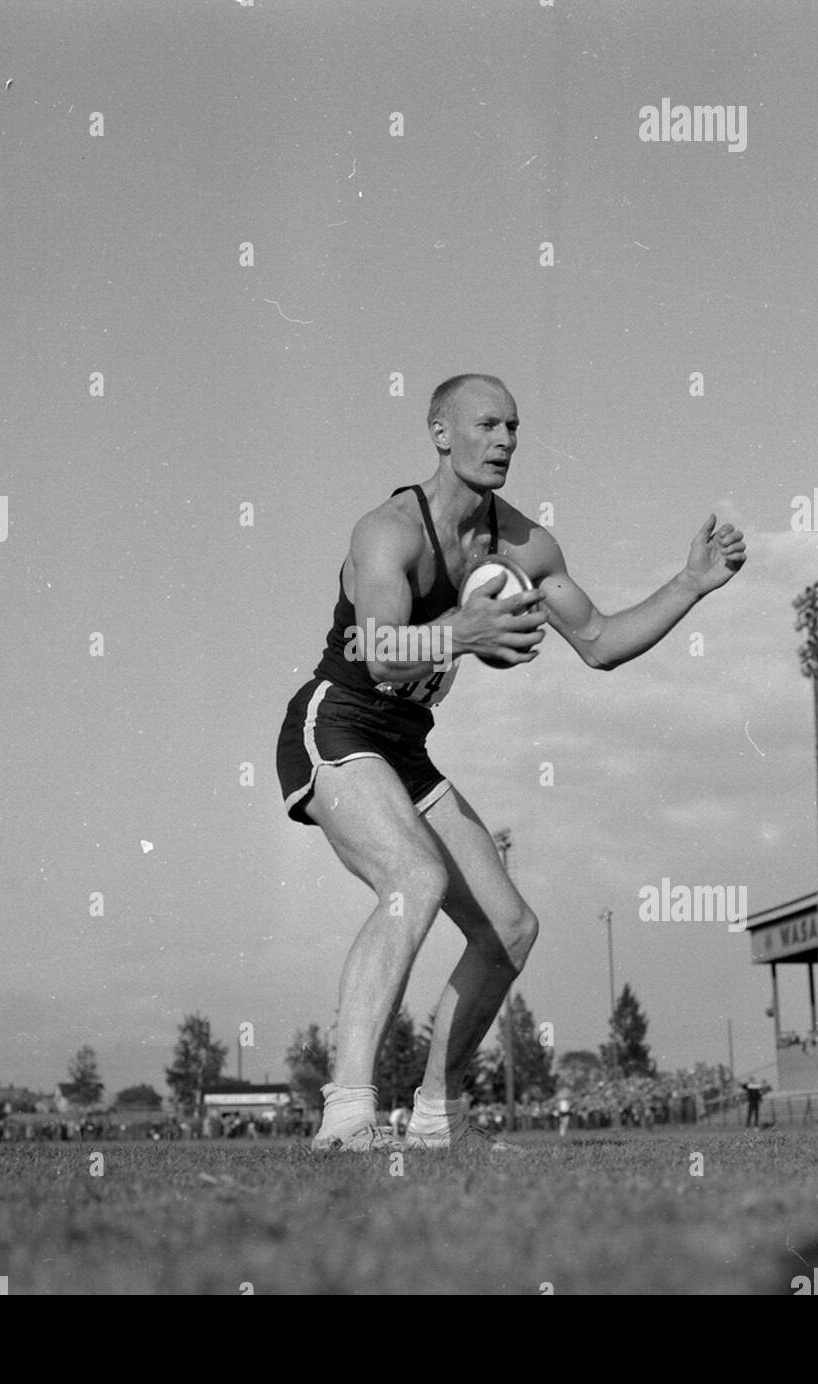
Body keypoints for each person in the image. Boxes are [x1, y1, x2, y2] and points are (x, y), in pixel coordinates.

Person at [275, 374, 746, 1153]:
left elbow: (598, 643)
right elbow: (379, 651)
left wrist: (691, 583)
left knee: (511, 931)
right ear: (439, 432)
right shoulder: (388, 531)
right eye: (487, 425)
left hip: (403, 744)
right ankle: (348, 1114)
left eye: (514, 429)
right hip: (338, 720)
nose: (504, 442)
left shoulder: (524, 542)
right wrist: (465, 633)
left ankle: (434, 1117)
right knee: (413, 879)